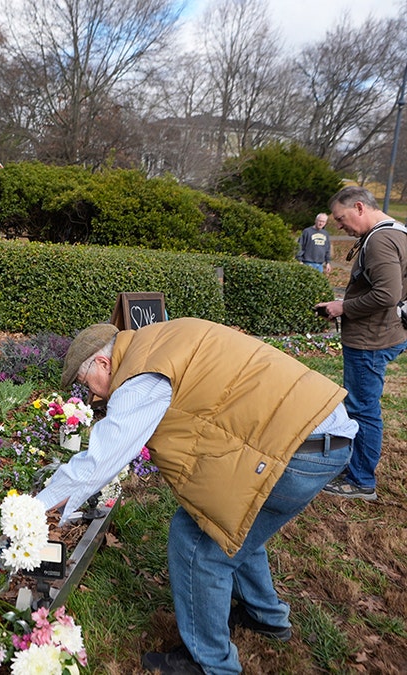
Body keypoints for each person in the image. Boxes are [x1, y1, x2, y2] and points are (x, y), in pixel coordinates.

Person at [38, 318, 356, 675]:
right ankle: (265, 615)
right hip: (318, 431)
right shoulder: (156, 343)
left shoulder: (141, 377)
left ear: (102, 363)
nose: (93, 395)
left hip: (300, 451)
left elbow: (102, 459)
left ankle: (210, 663)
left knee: (197, 545)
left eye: (86, 384)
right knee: (231, 517)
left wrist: (36, 512)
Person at [315, 186, 407, 500]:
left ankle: (360, 480)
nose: (338, 226)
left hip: (371, 340)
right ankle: (355, 468)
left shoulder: (380, 240)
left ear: (359, 207)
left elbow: (387, 294)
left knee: (363, 411)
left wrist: (343, 307)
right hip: (382, 333)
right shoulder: (396, 232)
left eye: (341, 219)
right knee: (360, 407)